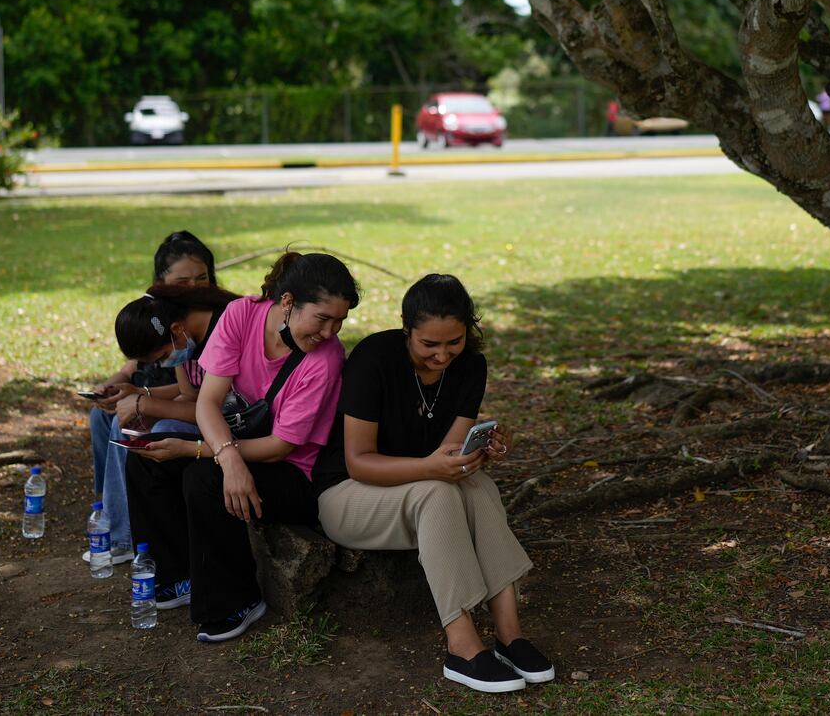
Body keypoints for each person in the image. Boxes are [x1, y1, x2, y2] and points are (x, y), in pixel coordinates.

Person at [312, 273, 553, 694]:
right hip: (347, 496)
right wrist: (432, 468)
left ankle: (510, 636)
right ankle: (461, 647)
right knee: (437, 490)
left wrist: (480, 453)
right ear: (407, 331)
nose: (443, 356)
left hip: (416, 494)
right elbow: (359, 462)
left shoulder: (471, 366)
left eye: (454, 342)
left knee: (480, 488)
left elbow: (451, 457)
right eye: (429, 345)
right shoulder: (374, 358)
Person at [126, 252, 358, 642]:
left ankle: (236, 602)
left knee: (204, 477)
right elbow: (207, 401)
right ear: (287, 302)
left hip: (296, 474)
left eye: (340, 321)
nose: (330, 331)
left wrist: (207, 453)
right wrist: (227, 455)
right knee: (150, 455)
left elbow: (281, 447)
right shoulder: (241, 315)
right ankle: (176, 576)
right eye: (322, 318)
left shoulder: (326, 358)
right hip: (241, 445)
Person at [94, 282, 240, 595]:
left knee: (157, 434)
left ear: (175, 330)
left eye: (161, 355)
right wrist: (139, 394)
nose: (163, 363)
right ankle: (130, 541)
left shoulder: (221, 330)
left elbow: (217, 408)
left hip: (231, 428)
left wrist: (148, 404)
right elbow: (190, 393)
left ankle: (171, 565)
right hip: (208, 418)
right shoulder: (183, 340)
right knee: (129, 425)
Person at [83, 231, 218, 562]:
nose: (194, 288)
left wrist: (145, 399)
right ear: (161, 283)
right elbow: (181, 386)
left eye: (202, 278)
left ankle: (123, 532)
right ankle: (111, 511)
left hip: (208, 417)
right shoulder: (163, 321)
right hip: (175, 399)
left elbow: (206, 399)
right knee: (108, 414)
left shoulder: (208, 326)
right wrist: (127, 389)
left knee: (130, 423)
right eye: (182, 281)